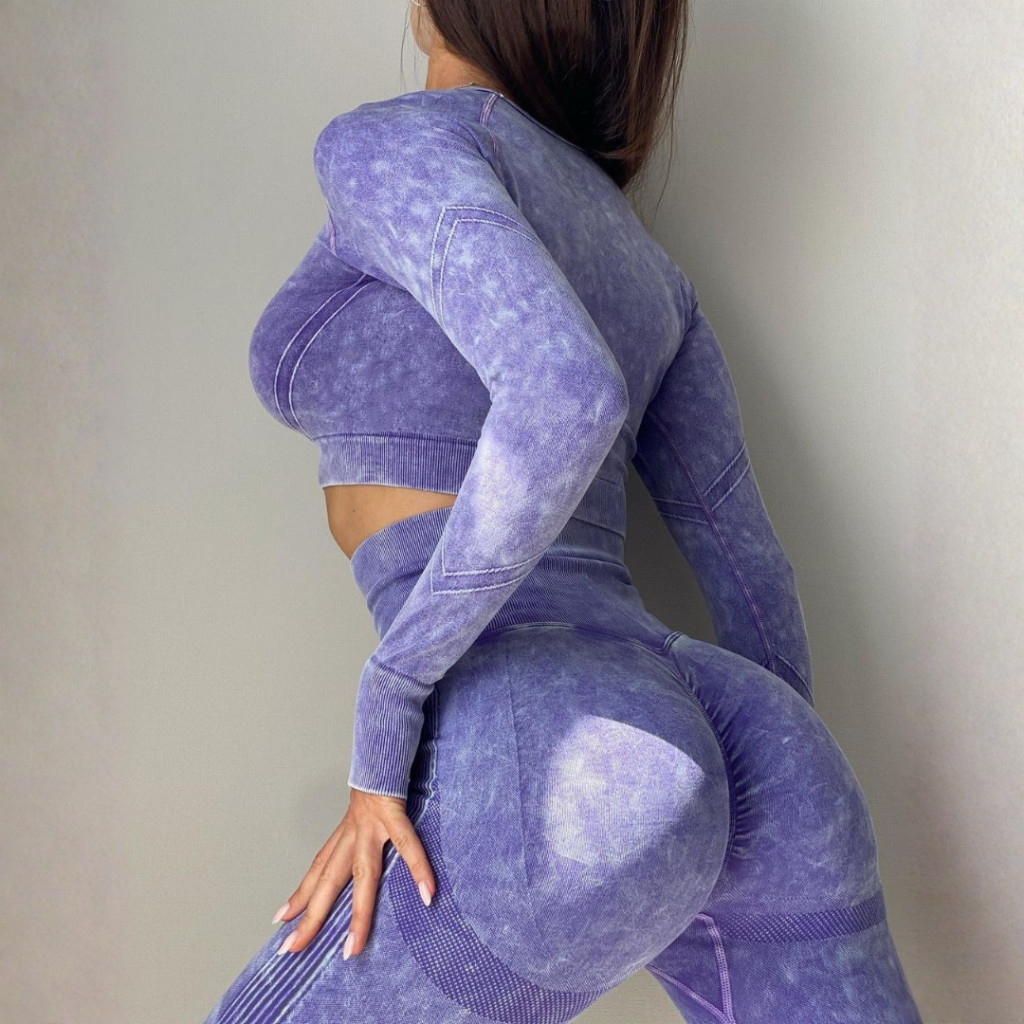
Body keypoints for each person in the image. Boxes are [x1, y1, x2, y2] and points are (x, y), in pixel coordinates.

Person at [202, 1, 925, 1021]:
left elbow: (563, 388)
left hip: (556, 741)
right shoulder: (643, 263)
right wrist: (759, 798)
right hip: (757, 737)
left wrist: (391, 701)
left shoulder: (393, 147)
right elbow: (752, 570)